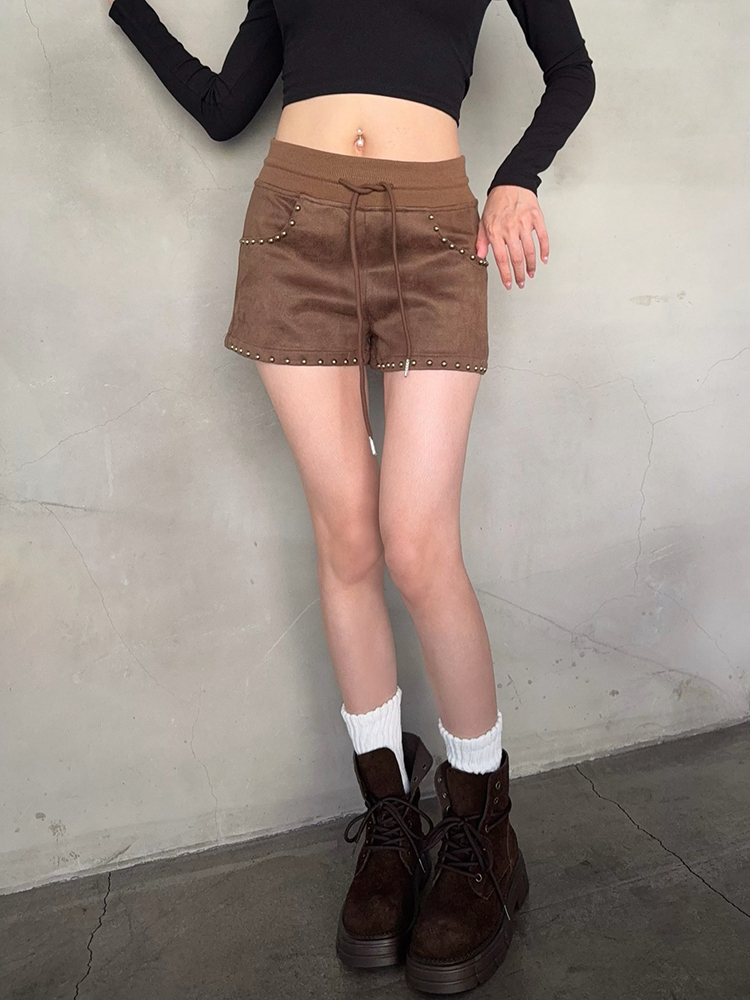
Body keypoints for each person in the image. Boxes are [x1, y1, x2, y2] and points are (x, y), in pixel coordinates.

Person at [106, 0, 595, 991]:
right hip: (294, 228)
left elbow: (571, 70)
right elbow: (226, 108)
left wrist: (517, 176)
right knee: (348, 542)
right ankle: (391, 821)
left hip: (434, 231)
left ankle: (484, 833)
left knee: (417, 544)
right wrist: (128, 8)